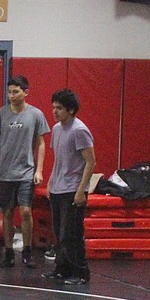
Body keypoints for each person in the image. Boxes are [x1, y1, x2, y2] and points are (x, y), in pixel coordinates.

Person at [0, 75, 49, 268]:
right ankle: (9, 251)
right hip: (6, 172)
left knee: (26, 210)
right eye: (9, 92)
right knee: (7, 212)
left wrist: (39, 170)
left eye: (15, 92)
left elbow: (41, 144)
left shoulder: (36, 114)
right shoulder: (1, 114)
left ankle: (27, 251)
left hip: (26, 171)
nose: (11, 95)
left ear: (25, 93)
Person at [40, 89, 96, 286]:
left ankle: (81, 272)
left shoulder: (79, 130)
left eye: (60, 108)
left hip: (73, 189)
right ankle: (61, 269)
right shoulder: (56, 129)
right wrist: (50, 182)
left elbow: (91, 162)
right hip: (58, 187)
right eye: (54, 107)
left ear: (71, 110)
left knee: (71, 234)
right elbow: (59, 160)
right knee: (59, 233)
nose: (54, 111)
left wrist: (81, 191)